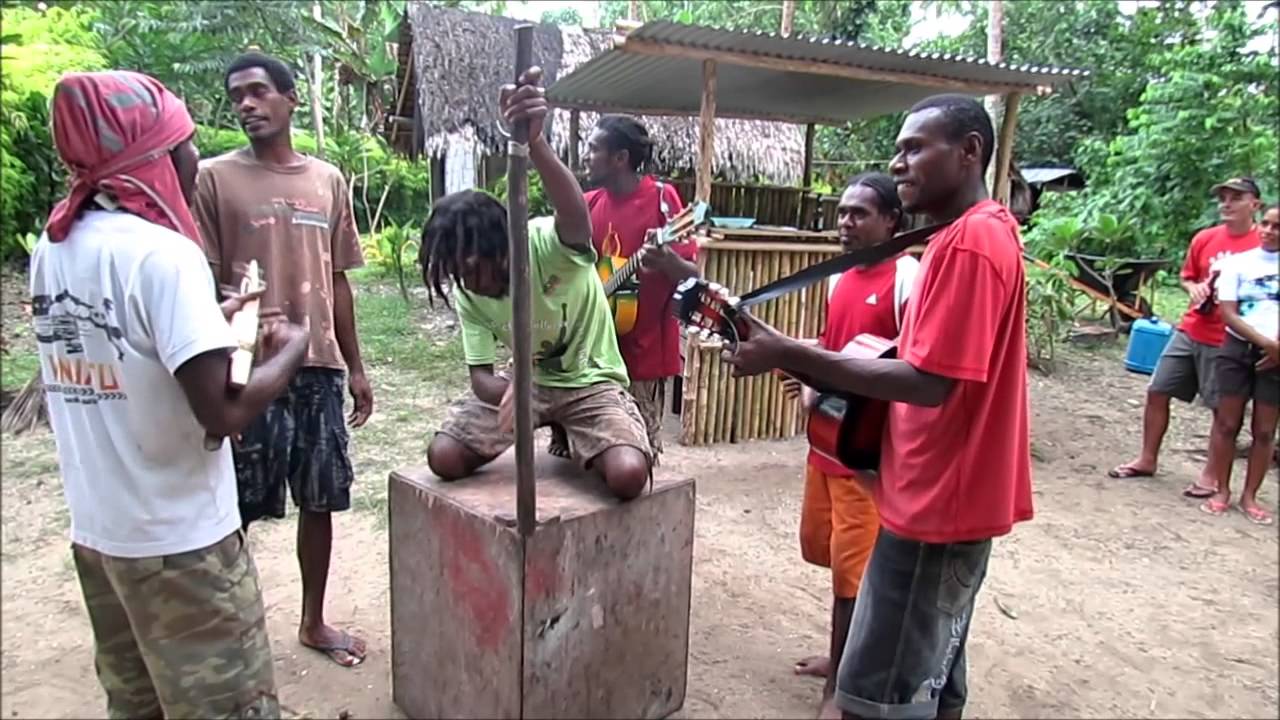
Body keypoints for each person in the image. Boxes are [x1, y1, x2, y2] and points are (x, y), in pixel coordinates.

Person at [721, 94, 1031, 720]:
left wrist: (793, 355)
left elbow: (928, 381)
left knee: (873, 700)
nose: (899, 161)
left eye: (916, 147)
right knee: (929, 683)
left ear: (970, 151)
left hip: (937, 504)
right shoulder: (967, 236)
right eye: (898, 148)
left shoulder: (968, 244)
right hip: (934, 492)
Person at [31, 70, 311, 718]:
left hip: (102, 540)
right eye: (182, 141)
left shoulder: (57, 244)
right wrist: (295, 348)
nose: (194, 156)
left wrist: (204, 318)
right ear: (152, 154)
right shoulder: (164, 256)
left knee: (139, 706)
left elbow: (125, 353)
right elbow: (223, 410)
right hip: (181, 547)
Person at [193, 52, 373, 668]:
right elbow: (204, 279)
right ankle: (226, 628)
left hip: (318, 364)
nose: (246, 103)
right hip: (245, 369)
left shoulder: (327, 180)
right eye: (237, 94)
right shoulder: (214, 179)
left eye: (258, 91)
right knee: (233, 504)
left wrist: (357, 365)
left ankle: (313, 621)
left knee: (319, 498)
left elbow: (340, 279)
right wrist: (232, 340)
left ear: (291, 99)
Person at [421, 67, 652, 501]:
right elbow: (480, 378)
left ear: (503, 247)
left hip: (591, 380)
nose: (469, 281)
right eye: (456, 272)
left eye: (474, 267)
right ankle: (553, 421)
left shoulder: (546, 242)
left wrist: (535, 142)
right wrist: (513, 392)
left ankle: (584, 430)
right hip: (529, 384)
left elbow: (576, 217)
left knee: (627, 476)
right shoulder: (467, 290)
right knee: (444, 458)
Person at [782, 172, 918, 719]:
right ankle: (840, 652)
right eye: (841, 212)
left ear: (891, 222)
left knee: (851, 576)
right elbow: (840, 349)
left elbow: (907, 369)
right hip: (826, 443)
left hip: (864, 454)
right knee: (822, 549)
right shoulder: (839, 280)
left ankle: (841, 685)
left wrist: (826, 382)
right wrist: (802, 362)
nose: (845, 222)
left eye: (859, 213)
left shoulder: (909, 277)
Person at [545, 115, 698, 462]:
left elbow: (691, 274)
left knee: (636, 457)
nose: (586, 155)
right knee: (579, 459)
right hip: (589, 356)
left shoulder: (662, 199)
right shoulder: (586, 204)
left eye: (594, 148)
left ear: (620, 158)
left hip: (641, 360)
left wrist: (665, 261)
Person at [1109, 177, 1261, 495]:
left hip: (1229, 337)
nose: (1227, 204)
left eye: (1235, 197)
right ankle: (1147, 458)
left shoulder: (1262, 245)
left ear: (1254, 205)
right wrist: (1193, 288)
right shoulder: (1206, 238)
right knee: (1158, 389)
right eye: (1223, 197)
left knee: (1222, 409)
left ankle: (1211, 475)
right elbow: (1187, 275)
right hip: (1191, 328)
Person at [1199, 203, 1279, 522]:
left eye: (1278, 227)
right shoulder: (1238, 264)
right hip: (1238, 348)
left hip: (1277, 357)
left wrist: (1276, 351)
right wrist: (1267, 345)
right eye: (1267, 224)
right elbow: (1228, 312)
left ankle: (1250, 496)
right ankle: (1222, 489)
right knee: (1227, 423)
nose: (1270, 231)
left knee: (1264, 429)